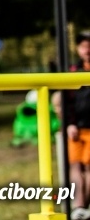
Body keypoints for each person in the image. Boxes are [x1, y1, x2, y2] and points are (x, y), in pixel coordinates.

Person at [53, 32, 90, 218]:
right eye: (84, 46)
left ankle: (85, 204)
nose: (87, 50)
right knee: (75, 167)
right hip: (75, 127)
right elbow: (64, 102)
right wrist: (68, 124)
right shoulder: (73, 70)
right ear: (78, 48)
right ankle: (79, 207)